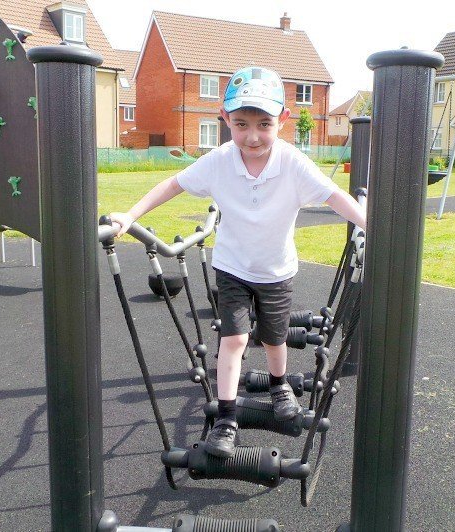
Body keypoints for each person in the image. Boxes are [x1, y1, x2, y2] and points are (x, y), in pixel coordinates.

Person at [109, 66, 367, 458]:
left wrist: (374, 226)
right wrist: (129, 216)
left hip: (277, 271)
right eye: (241, 123)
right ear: (225, 119)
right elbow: (172, 185)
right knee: (232, 339)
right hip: (231, 268)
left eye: (264, 124)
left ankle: (279, 383)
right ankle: (227, 418)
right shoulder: (220, 160)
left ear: (281, 120)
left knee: (274, 337)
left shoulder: (293, 163)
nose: (252, 136)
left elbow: (334, 196)